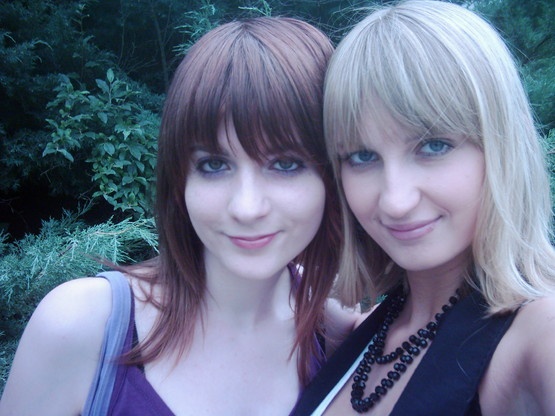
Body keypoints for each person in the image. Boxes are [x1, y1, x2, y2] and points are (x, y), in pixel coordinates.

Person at [0, 17, 356, 416]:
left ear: (332, 174)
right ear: (179, 177)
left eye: (286, 164)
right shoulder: (80, 326)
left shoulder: (336, 332)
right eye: (214, 165)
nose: (246, 207)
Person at [291, 1, 555, 415]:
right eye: (362, 156)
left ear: (500, 146)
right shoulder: (371, 329)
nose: (395, 201)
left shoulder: (539, 331)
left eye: (433, 146)